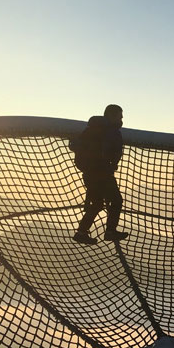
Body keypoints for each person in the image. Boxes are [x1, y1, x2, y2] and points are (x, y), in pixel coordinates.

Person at [70, 104, 129, 244]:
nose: (122, 118)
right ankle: (110, 231)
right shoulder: (110, 131)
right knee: (116, 201)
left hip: (89, 174)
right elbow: (112, 152)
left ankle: (81, 232)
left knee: (96, 204)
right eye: (119, 115)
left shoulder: (91, 129)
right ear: (112, 115)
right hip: (103, 173)